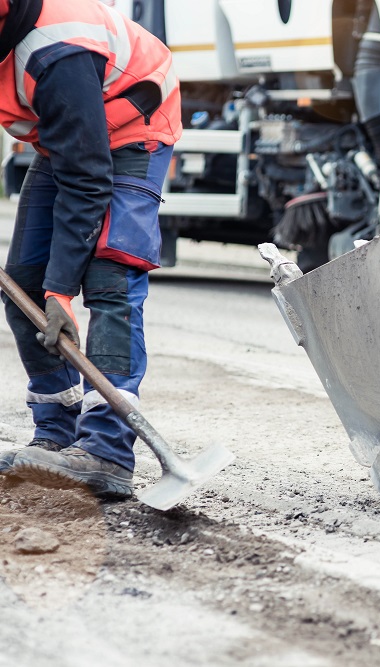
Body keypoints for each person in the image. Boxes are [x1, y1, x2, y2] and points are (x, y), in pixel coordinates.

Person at [0, 0, 181, 499]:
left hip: (132, 128)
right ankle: (56, 439)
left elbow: (87, 179)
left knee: (110, 280)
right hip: (67, 137)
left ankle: (107, 451)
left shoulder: (54, 49)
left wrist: (61, 293)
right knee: (22, 287)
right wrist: (45, 290)